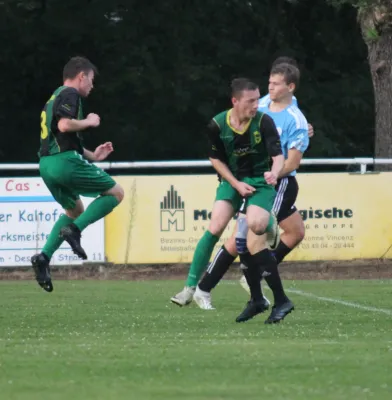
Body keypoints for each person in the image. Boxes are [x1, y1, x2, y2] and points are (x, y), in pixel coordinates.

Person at [195, 63, 309, 324]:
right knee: (293, 232)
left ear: (290, 88)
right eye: (269, 82)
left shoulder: (295, 119)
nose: (270, 87)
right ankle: (259, 291)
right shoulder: (261, 104)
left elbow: (290, 160)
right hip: (253, 181)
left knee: (246, 237)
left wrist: (273, 174)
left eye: (276, 83)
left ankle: (213, 286)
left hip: (277, 184)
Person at [171, 78, 285, 322]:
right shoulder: (217, 125)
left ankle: (267, 223)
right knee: (215, 228)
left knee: (252, 229)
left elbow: (277, 155)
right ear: (235, 101)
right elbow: (216, 159)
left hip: (258, 181)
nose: (256, 105)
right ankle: (190, 290)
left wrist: (274, 173)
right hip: (232, 181)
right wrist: (235, 184)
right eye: (250, 101)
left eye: (257, 99)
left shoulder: (264, 122)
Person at [31, 56, 124, 292]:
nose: (92, 85)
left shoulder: (53, 98)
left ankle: (43, 257)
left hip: (47, 165)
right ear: (81, 76)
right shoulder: (70, 94)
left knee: (74, 210)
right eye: (91, 80)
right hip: (64, 163)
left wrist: (93, 155)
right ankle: (74, 230)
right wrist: (89, 121)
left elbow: (60, 136)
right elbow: (64, 125)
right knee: (116, 193)